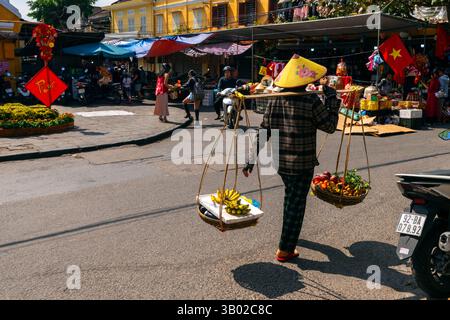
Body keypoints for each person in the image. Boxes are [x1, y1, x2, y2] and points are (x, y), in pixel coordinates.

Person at [243, 55, 340, 262]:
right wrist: (333, 102)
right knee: (296, 204)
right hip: (301, 163)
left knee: (291, 199)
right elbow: (330, 126)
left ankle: (290, 233)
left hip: (281, 162)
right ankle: (285, 249)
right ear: (305, 81)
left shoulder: (275, 100)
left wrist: (250, 159)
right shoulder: (311, 101)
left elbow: (264, 131)